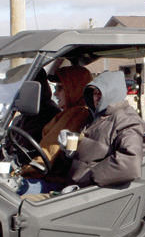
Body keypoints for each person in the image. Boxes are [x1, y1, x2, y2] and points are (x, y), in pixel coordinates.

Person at [17, 65, 93, 194]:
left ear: (74, 88)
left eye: (60, 88)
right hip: (53, 177)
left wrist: (24, 171)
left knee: (9, 189)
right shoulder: (68, 112)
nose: (55, 93)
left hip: (54, 181)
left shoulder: (76, 113)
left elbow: (49, 152)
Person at [67, 70, 145, 188]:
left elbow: (129, 164)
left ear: (112, 93)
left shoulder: (128, 120)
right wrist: (67, 148)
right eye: (94, 93)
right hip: (73, 185)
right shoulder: (97, 117)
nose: (97, 97)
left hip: (90, 191)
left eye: (101, 93)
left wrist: (87, 177)